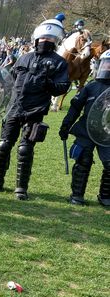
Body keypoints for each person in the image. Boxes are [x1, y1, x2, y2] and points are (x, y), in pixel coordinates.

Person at [0, 19, 70, 200]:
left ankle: (21, 187)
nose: (45, 40)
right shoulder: (24, 57)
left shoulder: (59, 63)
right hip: (14, 108)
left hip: (35, 110)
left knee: (25, 149)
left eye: (49, 38)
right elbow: (10, 79)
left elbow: (63, 86)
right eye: (43, 37)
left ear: (55, 39)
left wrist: (48, 82)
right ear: (36, 38)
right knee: (3, 145)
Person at [59, 50, 110, 207]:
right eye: (107, 63)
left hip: (108, 134)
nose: (108, 67)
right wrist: (66, 125)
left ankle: (106, 196)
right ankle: (77, 195)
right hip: (86, 129)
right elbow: (75, 108)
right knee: (83, 159)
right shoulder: (91, 87)